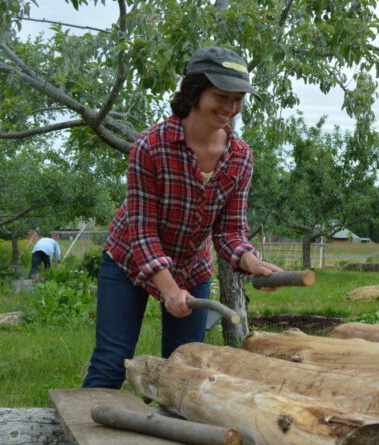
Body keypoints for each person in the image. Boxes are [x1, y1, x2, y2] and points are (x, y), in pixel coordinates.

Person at [82, 46, 282, 389]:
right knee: (112, 361)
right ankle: (83, 437)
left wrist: (250, 260)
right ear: (194, 92)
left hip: (191, 266)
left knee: (183, 367)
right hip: (128, 259)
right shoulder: (151, 145)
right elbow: (141, 229)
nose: (230, 108)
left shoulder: (240, 157)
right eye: (221, 96)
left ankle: (173, 439)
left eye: (238, 100)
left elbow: (230, 230)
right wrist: (169, 288)